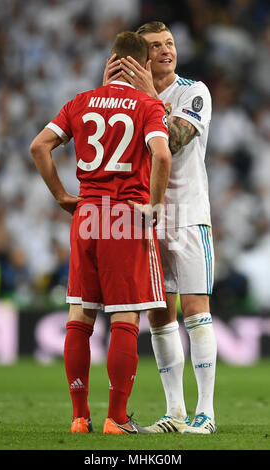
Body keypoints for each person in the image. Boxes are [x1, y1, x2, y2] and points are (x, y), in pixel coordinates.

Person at [30, 31, 171, 435]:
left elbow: (39, 146)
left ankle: (79, 417)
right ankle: (117, 418)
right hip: (126, 215)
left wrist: (61, 195)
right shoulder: (147, 104)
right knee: (125, 317)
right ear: (144, 65)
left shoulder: (81, 101)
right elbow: (161, 153)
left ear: (110, 62)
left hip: (88, 214)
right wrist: (156, 206)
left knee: (79, 315)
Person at [105, 21, 217, 434]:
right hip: (145, 219)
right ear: (139, 57)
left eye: (169, 43)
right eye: (155, 46)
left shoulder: (194, 91)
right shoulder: (123, 101)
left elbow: (173, 140)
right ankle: (174, 412)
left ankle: (205, 414)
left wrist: (149, 98)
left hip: (187, 214)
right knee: (159, 316)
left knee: (195, 311)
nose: (166, 50)